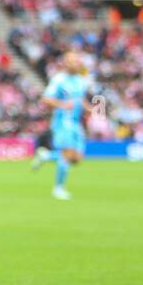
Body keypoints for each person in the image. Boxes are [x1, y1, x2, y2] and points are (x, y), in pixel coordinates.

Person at [33, 50, 89, 200]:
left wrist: (90, 108)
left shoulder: (81, 81)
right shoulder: (59, 80)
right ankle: (58, 189)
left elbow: (79, 100)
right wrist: (63, 104)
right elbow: (46, 99)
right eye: (72, 61)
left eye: (77, 61)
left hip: (76, 123)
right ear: (65, 63)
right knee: (67, 154)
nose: (76, 63)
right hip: (62, 122)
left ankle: (46, 155)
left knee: (77, 159)